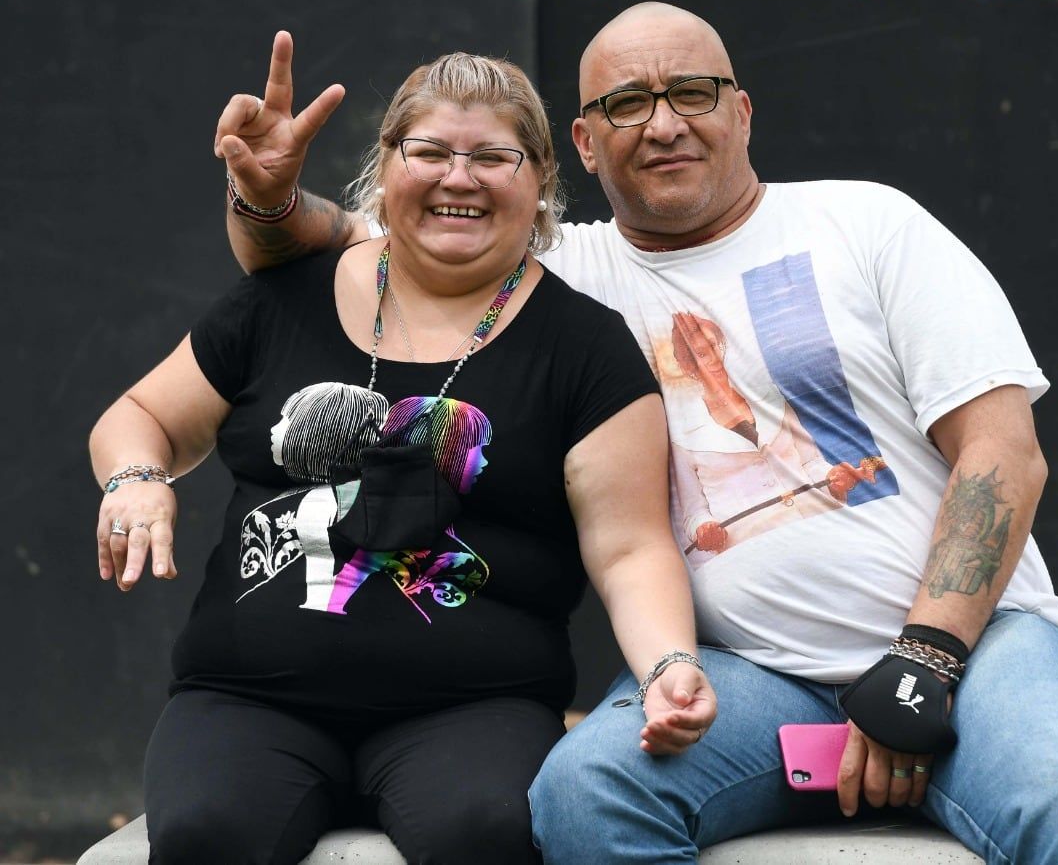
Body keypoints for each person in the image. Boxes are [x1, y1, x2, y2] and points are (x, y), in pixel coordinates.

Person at [214, 6, 1058, 864]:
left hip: (977, 645)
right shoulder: (549, 275)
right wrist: (266, 195)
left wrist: (923, 663)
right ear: (583, 145)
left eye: (692, 93)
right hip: (748, 677)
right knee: (585, 795)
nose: (664, 123)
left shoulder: (868, 223)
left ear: (741, 112)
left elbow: (1003, 453)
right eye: (627, 104)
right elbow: (329, 241)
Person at [90, 44, 716, 865]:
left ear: (539, 181)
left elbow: (630, 547)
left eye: (493, 157)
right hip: (249, 699)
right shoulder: (282, 299)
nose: (460, 178)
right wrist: (137, 477)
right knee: (208, 833)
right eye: (430, 152)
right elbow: (141, 415)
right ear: (384, 169)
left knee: (483, 834)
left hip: (472, 709)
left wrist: (669, 666)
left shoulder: (586, 348)